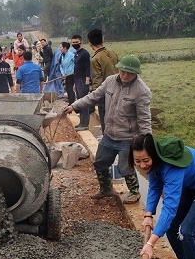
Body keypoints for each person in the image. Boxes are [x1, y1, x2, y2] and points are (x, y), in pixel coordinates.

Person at [64, 55, 151, 203]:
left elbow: (144, 118)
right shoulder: (110, 81)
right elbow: (93, 96)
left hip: (128, 137)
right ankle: (106, 189)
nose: (124, 75)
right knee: (100, 162)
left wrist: (146, 142)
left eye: (129, 73)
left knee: (125, 167)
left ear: (136, 73)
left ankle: (134, 192)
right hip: (109, 134)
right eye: (122, 71)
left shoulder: (141, 91)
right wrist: (75, 105)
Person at [88, 29, 119, 133]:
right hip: (119, 91)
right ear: (103, 39)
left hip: (105, 95)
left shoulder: (95, 59)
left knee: (106, 123)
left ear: (90, 44)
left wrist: (95, 97)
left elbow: (97, 79)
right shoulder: (113, 53)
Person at [72, 34, 92, 131]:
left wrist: (87, 79)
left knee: (84, 102)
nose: (75, 44)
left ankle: (85, 124)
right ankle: (81, 122)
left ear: (81, 42)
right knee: (80, 101)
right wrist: (75, 83)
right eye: (73, 42)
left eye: (76, 42)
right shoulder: (76, 54)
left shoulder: (84, 53)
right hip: (77, 80)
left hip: (83, 80)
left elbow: (88, 67)